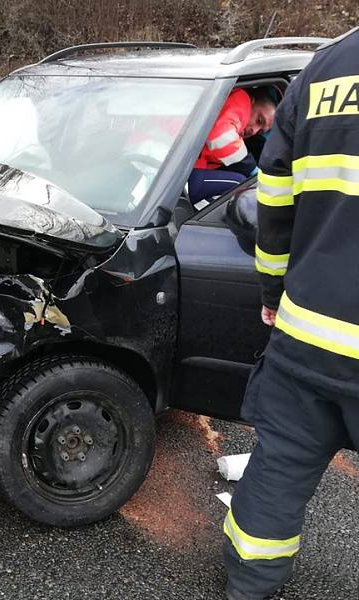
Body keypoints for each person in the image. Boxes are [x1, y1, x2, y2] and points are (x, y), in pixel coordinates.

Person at [223, 27, 359, 600]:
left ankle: (248, 588)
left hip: (308, 333)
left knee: (275, 473)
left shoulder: (325, 69)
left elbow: (271, 203)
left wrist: (272, 296)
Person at [188, 88, 277, 203]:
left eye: (260, 131)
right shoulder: (241, 99)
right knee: (240, 183)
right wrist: (250, 167)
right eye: (259, 120)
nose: (254, 131)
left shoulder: (239, 120)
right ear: (252, 101)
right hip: (189, 170)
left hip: (189, 164)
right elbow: (221, 137)